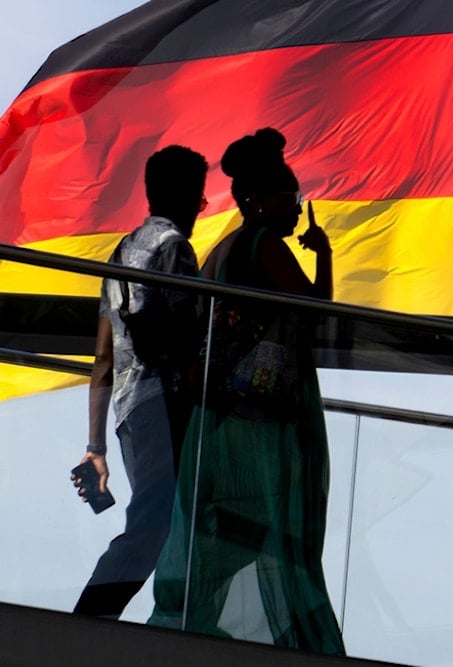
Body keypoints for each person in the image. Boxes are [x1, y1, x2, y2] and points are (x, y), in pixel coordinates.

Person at [148, 128, 344, 655]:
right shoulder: (265, 243)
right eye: (292, 198)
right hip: (261, 424)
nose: (298, 210)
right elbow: (316, 310)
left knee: (217, 542)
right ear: (260, 199)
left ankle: (183, 641)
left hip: (216, 422)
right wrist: (323, 254)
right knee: (281, 534)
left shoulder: (221, 250)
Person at [72, 145, 209, 618]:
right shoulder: (174, 247)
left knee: (162, 516)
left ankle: (102, 617)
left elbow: (104, 357)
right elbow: (182, 337)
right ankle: (90, 619)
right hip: (166, 403)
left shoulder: (119, 253)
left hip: (130, 410)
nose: (203, 207)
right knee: (158, 521)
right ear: (188, 197)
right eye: (200, 197)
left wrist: (96, 446)